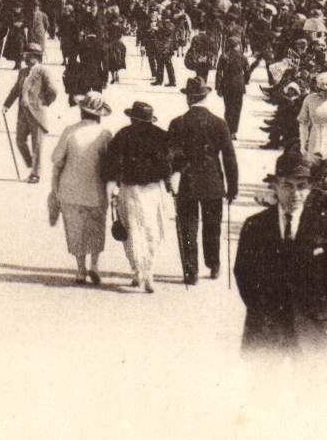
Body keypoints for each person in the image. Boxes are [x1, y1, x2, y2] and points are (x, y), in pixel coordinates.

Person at [233, 151, 327, 357]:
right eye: (288, 185)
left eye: (302, 186)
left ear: (311, 189)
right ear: (275, 187)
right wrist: (263, 312)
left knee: (309, 387)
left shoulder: (323, 227)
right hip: (267, 328)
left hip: (311, 328)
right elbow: (244, 275)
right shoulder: (255, 226)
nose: (295, 194)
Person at [169, 78, 239, 284]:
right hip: (213, 181)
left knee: (188, 227)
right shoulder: (219, 123)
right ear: (205, 96)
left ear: (188, 99)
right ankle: (214, 264)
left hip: (187, 181)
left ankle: (191, 270)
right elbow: (229, 156)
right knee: (212, 225)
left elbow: (171, 155)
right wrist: (232, 186)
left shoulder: (178, 123)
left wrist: (171, 177)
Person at [103, 101, 173, 293]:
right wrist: (168, 182)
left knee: (133, 231)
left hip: (130, 189)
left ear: (133, 118)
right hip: (153, 190)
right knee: (152, 231)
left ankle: (137, 272)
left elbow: (112, 163)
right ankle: (149, 271)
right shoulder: (161, 135)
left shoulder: (123, 135)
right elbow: (169, 163)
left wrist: (113, 187)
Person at [48, 92, 114, 285]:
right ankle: (94, 266)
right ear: (99, 114)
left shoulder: (70, 131)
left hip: (71, 188)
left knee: (75, 229)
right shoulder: (105, 134)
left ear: (81, 112)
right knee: (96, 228)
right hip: (96, 189)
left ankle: (80, 270)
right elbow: (110, 163)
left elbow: (56, 159)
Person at [3, 44, 59, 184]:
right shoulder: (23, 72)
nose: (27, 58)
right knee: (19, 140)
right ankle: (31, 164)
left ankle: (35, 173)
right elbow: (16, 89)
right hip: (23, 113)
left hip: (37, 114)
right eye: (26, 55)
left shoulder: (43, 71)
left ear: (37, 57)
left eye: (30, 56)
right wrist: (6, 105)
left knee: (37, 146)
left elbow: (53, 90)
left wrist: (43, 101)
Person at [214, 35, 254, 137]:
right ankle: (234, 132)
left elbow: (219, 72)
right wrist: (245, 81)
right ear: (237, 45)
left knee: (228, 108)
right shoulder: (242, 57)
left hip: (226, 84)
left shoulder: (224, 56)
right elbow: (248, 72)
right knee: (237, 109)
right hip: (238, 85)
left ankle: (227, 130)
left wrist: (218, 86)